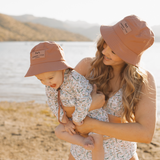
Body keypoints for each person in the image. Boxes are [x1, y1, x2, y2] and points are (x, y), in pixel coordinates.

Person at [68, 15, 157, 160]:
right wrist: (90, 107)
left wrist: (93, 124)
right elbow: (60, 107)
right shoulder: (87, 67)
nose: (104, 51)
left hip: (122, 155)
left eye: (114, 51)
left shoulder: (143, 80)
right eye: (106, 43)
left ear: (129, 55)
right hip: (82, 154)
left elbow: (145, 134)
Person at [24, 41, 109, 160]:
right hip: (74, 119)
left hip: (92, 115)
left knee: (97, 140)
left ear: (63, 69)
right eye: (41, 80)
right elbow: (53, 103)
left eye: (50, 77)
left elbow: (84, 99)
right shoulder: (49, 86)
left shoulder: (75, 79)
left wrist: (76, 120)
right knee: (59, 131)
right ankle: (84, 141)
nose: (47, 83)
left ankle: (94, 148)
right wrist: (65, 122)